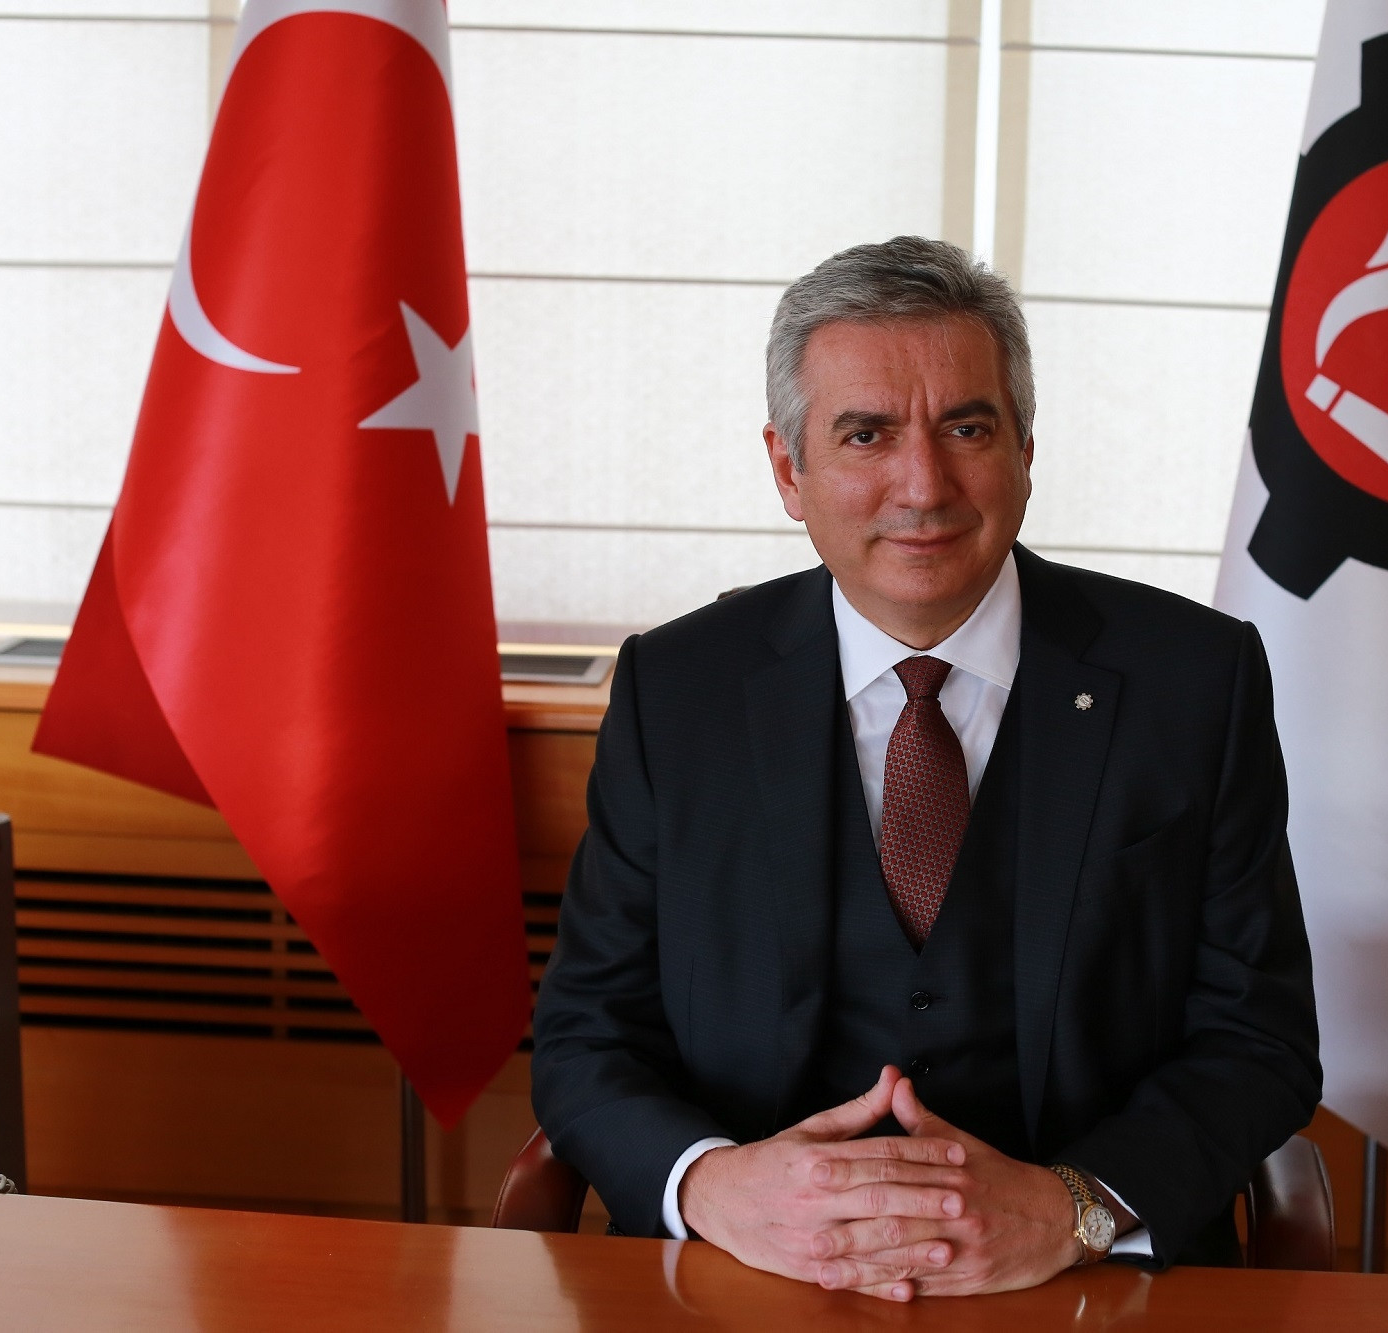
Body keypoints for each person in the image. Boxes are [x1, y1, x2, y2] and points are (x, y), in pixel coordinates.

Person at [531, 236, 1320, 1301]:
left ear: (1025, 449)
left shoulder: (1193, 681)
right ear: (788, 469)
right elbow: (586, 1033)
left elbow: (1259, 1037)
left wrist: (1075, 1208)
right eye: (866, 434)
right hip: (747, 1279)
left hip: (1082, 1283)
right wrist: (713, 1186)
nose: (923, 485)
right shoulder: (677, 690)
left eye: (967, 428)